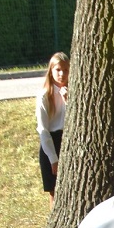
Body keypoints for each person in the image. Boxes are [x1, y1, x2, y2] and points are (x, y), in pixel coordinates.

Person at [36, 52, 69, 206]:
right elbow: (43, 129)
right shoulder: (44, 96)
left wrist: (68, 101)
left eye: (66, 70)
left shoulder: (72, 92)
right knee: (54, 191)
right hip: (51, 144)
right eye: (58, 70)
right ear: (51, 71)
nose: (62, 74)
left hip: (68, 141)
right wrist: (53, 159)